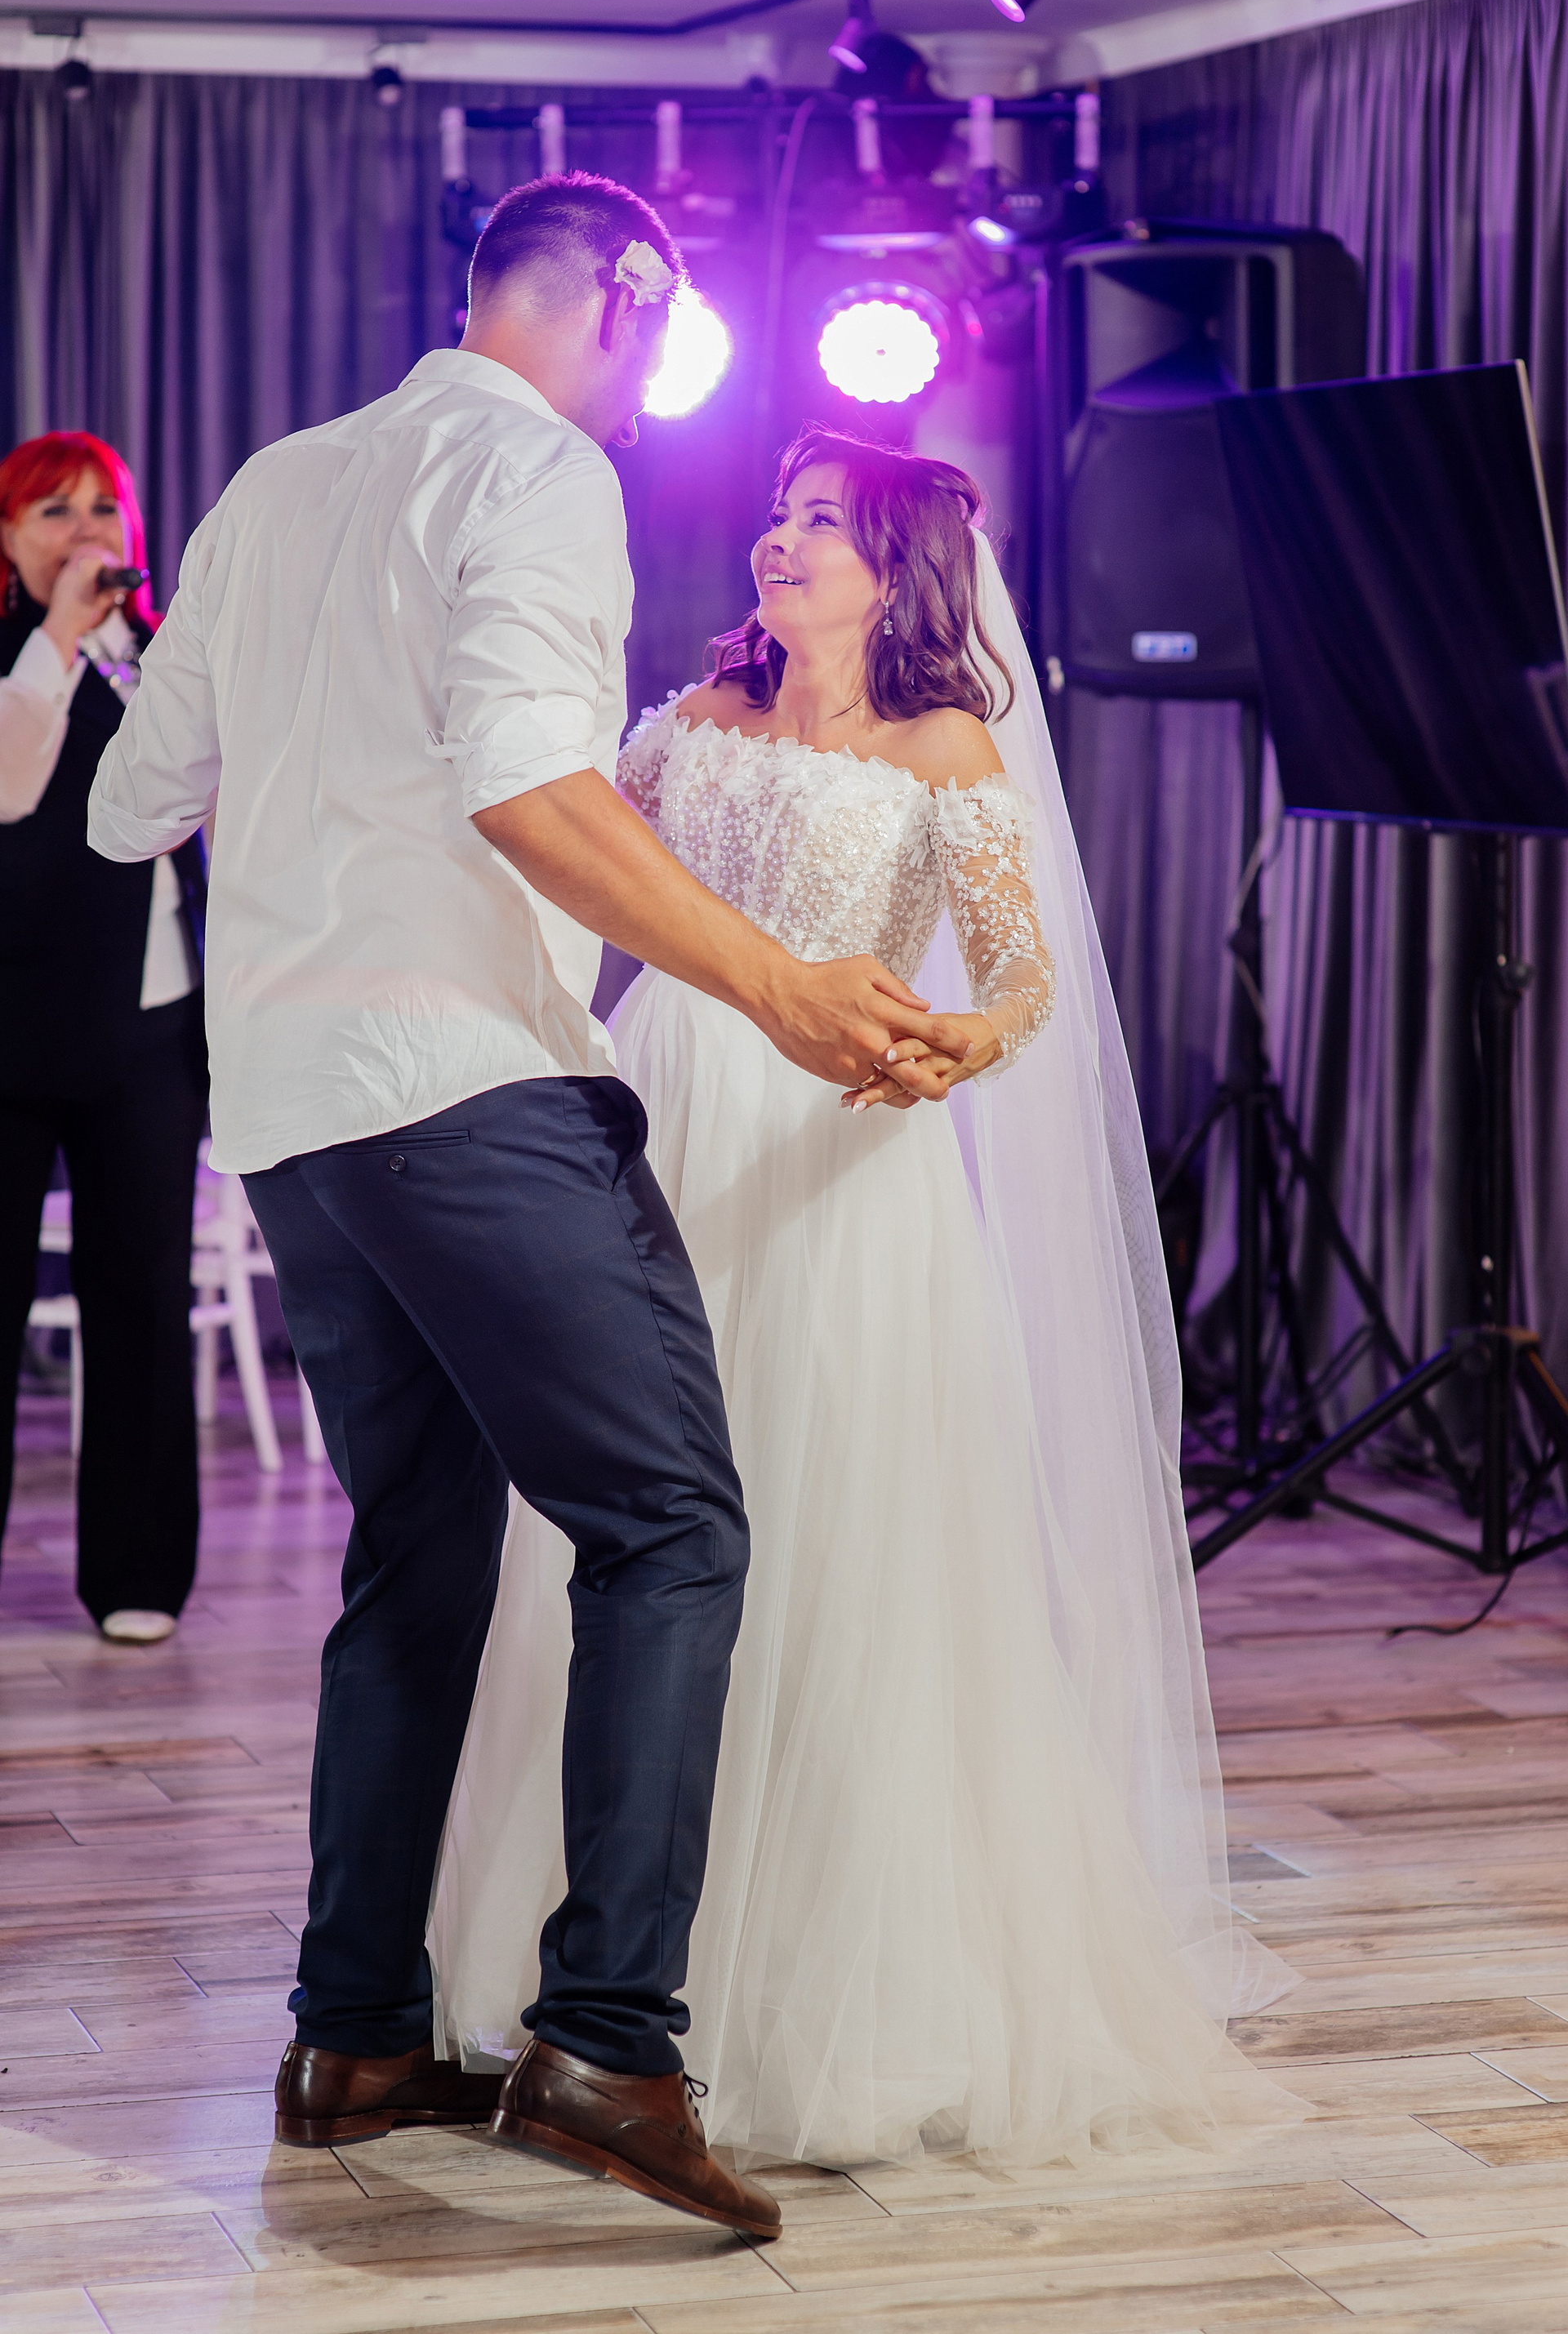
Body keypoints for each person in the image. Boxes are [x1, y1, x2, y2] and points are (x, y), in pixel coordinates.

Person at [87, 178, 976, 2238]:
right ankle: (607, 2046)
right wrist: (784, 988)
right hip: (468, 1089)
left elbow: (137, 806)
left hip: (291, 1111)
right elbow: (524, 786)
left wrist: (318, 785)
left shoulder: (276, 482)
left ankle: (354, 2039)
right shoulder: (543, 468)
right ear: (629, 293)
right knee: (672, 1527)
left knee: (418, 1552)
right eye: (668, 333)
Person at [431, 431, 1298, 2170]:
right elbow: (561, 860)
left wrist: (958, 1039)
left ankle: (818, 1996)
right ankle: (583, 1971)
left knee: (831, 1533)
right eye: (778, 514)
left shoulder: (942, 745)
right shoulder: (692, 720)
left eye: (819, 521)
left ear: (897, 568)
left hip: (841, 1164)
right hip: (664, 1123)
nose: (779, 540)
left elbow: (1025, 984)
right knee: (631, 1522)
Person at [0, 431, 207, 1646]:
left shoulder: (165, 656)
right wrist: (58, 642)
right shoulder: (21, 657)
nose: (86, 531)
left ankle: (138, 1571)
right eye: (54, 511)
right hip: (13, 1023)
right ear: (8, 538)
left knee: (142, 1291)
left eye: (104, 509)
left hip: (149, 1017)